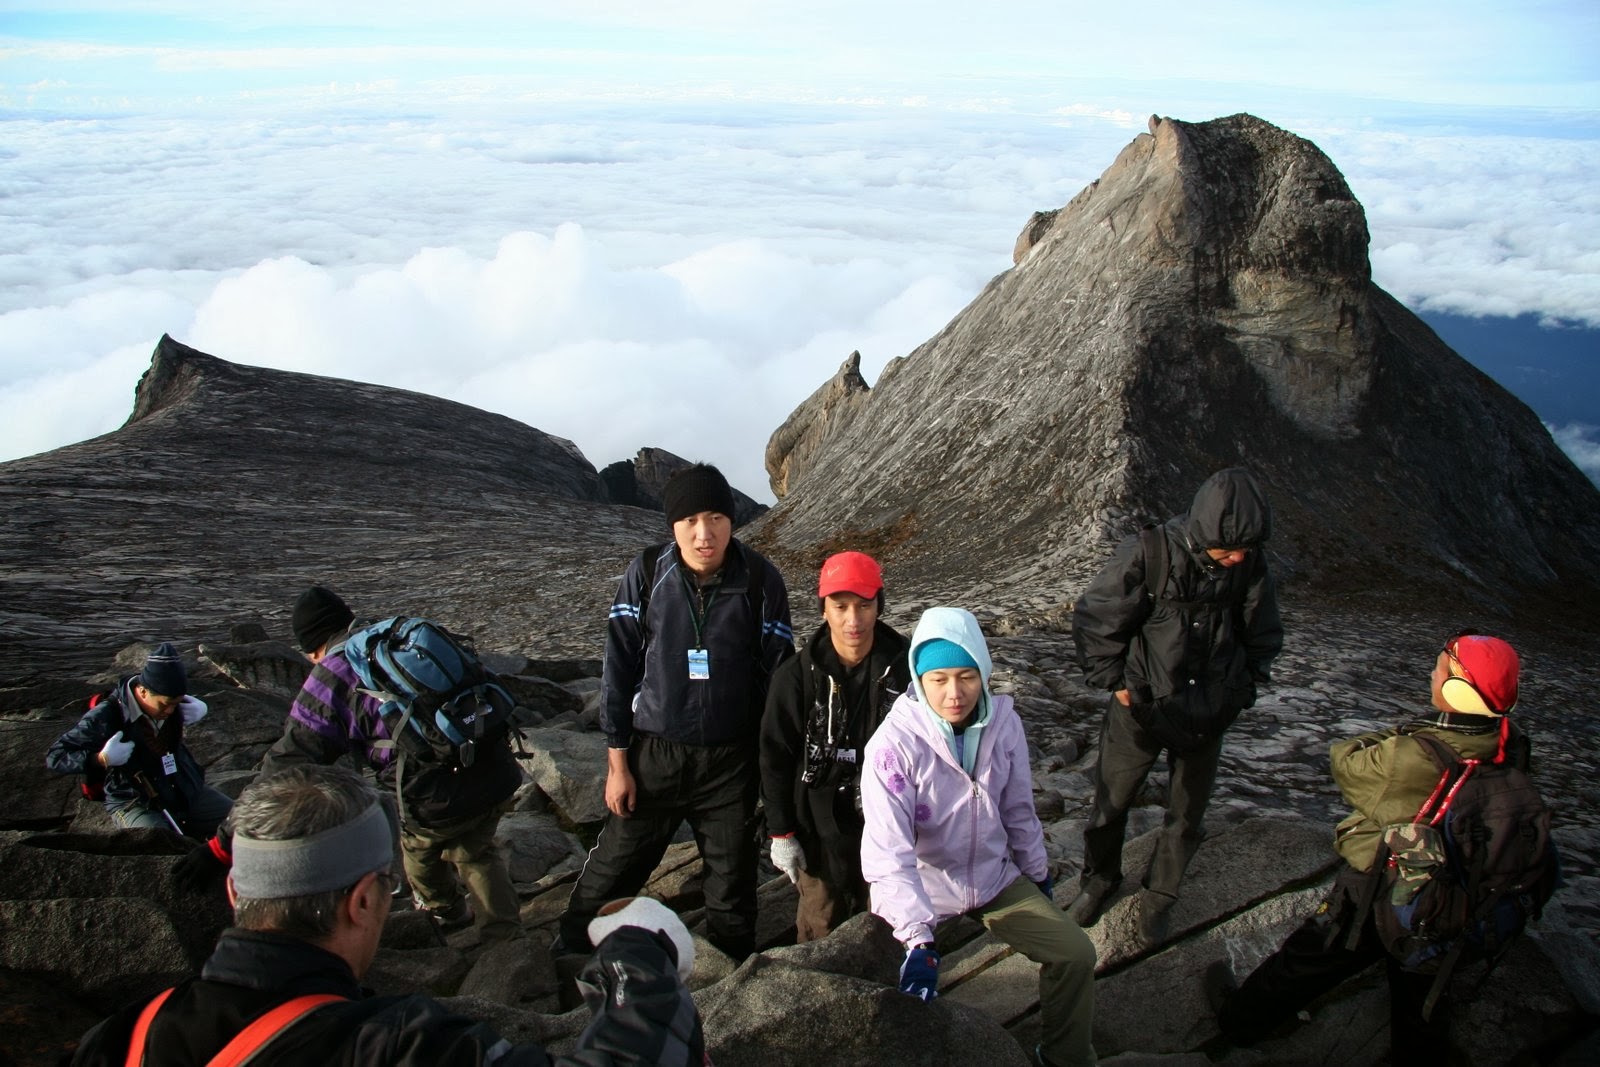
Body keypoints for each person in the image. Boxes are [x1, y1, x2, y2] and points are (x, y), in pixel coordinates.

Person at [67, 765, 706, 1066]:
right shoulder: (391, 1046)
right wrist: (639, 956)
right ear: (365, 901)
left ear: (236, 893)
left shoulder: (123, 1037)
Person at [1207, 632, 1536, 1057]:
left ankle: (1240, 1021)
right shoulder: (1513, 743)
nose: (1431, 675)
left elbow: (1347, 760)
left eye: (1439, 670)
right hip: (1460, 892)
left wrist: (1411, 730)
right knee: (1420, 993)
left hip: (1385, 883)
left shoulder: (1413, 754)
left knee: (1314, 954)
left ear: (1457, 689)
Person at [177, 585, 524, 942]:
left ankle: (450, 915)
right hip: (494, 763)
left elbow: (286, 766)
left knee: (422, 853)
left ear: (312, 648)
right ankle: (505, 935)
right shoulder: (402, 633)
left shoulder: (332, 676)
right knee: (477, 850)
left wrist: (222, 844)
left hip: (435, 798)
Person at [556, 463, 793, 960]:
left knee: (731, 900)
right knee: (607, 878)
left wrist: (772, 777)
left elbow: (780, 681)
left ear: (732, 520)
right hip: (653, 758)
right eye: (689, 521)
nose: (704, 534)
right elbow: (617, 672)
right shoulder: (646, 573)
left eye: (715, 518)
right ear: (672, 526)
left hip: (731, 764)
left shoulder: (760, 579)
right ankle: (572, 977)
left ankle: (729, 1000)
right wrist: (618, 766)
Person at [861, 607, 1097, 1067]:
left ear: (984, 673)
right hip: (925, 887)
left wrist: (1036, 874)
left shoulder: (1004, 724)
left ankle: (1065, 1058)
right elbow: (889, 853)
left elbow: (1018, 810)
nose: (954, 693)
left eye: (967, 676)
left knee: (1075, 954)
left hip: (994, 879)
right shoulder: (892, 747)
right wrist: (917, 938)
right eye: (939, 679)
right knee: (896, 996)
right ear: (919, 679)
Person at [1068, 467, 1282, 942]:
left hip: (1209, 708)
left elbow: (1262, 629)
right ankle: (1098, 880)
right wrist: (1116, 683)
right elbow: (1096, 615)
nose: (1239, 556)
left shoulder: (1250, 565)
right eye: (1231, 548)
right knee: (1110, 802)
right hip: (1141, 706)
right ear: (1206, 532)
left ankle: (1160, 897)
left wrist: (1242, 691)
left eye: (1247, 548)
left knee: (1187, 814)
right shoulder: (1151, 552)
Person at [760, 551, 910, 941]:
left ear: (880, 605)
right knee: (820, 926)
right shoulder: (794, 678)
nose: (852, 619)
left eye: (864, 605)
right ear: (823, 609)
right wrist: (781, 834)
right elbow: (775, 756)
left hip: (890, 827)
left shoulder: (910, 672)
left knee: (889, 925)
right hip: (816, 827)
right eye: (840, 606)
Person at [46, 642, 232, 839]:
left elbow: (172, 704)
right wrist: (101, 759)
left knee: (245, 823)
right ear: (143, 692)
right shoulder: (107, 716)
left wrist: (201, 707)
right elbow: (55, 757)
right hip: (135, 800)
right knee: (159, 845)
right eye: (165, 705)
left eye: (176, 704)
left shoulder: (172, 703)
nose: (170, 711)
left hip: (185, 790)